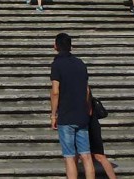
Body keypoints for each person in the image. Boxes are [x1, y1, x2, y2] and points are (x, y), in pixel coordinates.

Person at [50, 32, 96, 179]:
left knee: (69, 157)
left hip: (66, 115)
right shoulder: (80, 63)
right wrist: (88, 107)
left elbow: (55, 91)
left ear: (56, 46)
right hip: (81, 114)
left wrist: (53, 114)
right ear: (71, 46)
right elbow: (87, 90)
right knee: (86, 156)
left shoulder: (57, 64)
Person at [87, 87, 119, 179]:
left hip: (90, 126)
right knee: (98, 155)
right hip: (93, 125)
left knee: (98, 156)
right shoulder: (84, 85)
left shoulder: (81, 88)